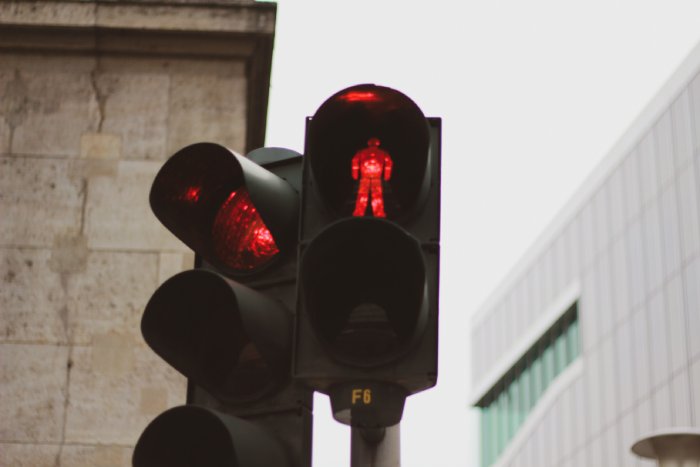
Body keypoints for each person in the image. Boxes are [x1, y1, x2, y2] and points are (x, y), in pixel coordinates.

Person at [351, 137, 393, 218]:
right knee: (377, 196)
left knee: (362, 195)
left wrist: (355, 174)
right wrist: (387, 175)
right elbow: (389, 163)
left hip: (365, 176)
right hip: (376, 177)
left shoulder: (362, 152)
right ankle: (379, 214)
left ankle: (359, 213)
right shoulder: (382, 152)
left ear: (368, 143)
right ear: (378, 143)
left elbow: (354, 161)